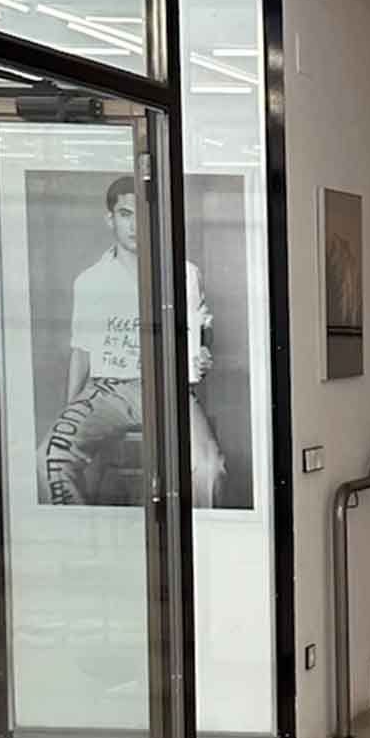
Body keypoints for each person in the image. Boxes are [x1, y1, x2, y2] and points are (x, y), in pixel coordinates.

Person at [42, 175, 226, 506]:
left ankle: (199, 537)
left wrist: (203, 355)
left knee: (208, 468)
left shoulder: (185, 273)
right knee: (50, 459)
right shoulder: (91, 281)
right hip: (107, 390)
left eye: (141, 215)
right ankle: (80, 533)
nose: (134, 226)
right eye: (125, 214)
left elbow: (201, 334)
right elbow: (81, 351)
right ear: (110, 218)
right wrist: (70, 411)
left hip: (167, 386)